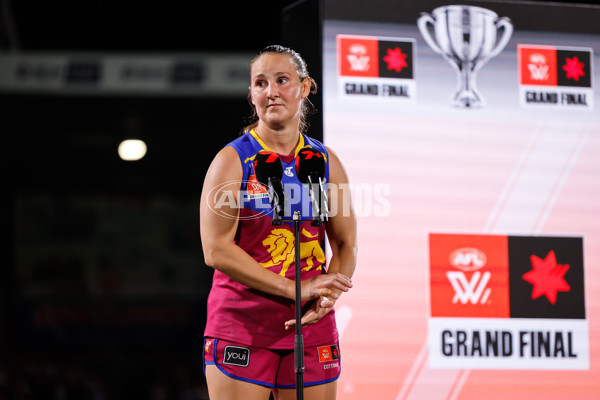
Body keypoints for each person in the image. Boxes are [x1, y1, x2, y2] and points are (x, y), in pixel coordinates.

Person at [199, 45, 357, 400]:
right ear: (251, 95)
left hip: (312, 324)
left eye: (282, 80)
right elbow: (215, 249)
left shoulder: (327, 161)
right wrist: (293, 289)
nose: (270, 91)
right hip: (243, 324)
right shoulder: (232, 160)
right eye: (260, 83)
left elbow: (346, 243)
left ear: (304, 87)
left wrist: (327, 296)